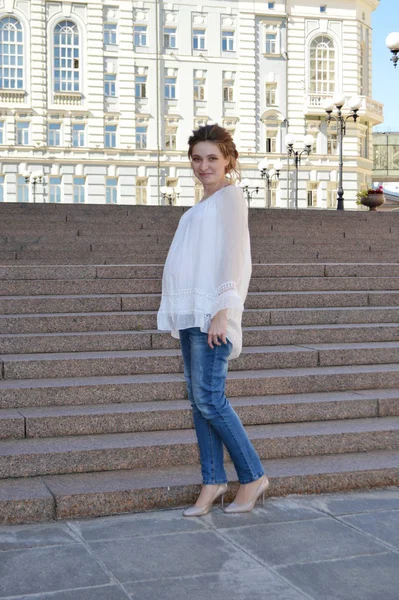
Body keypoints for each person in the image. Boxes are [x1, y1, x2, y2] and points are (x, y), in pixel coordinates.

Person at [157, 124, 269, 517]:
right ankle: (212, 481)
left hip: (213, 314)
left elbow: (235, 257)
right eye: (197, 158)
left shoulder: (231, 198)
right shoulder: (198, 208)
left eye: (212, 158)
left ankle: (252, 476)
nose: (203, 165)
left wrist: (223, 310)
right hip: (192, 313)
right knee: (199, 402)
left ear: (228, 162)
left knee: (210, 398)